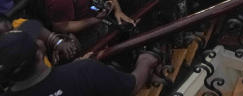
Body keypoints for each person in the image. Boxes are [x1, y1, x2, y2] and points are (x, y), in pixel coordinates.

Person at [0, 28, 159, 96]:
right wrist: (145, 61)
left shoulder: (80, 70)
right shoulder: (84, 71)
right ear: (38, 53)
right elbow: (131, 86)